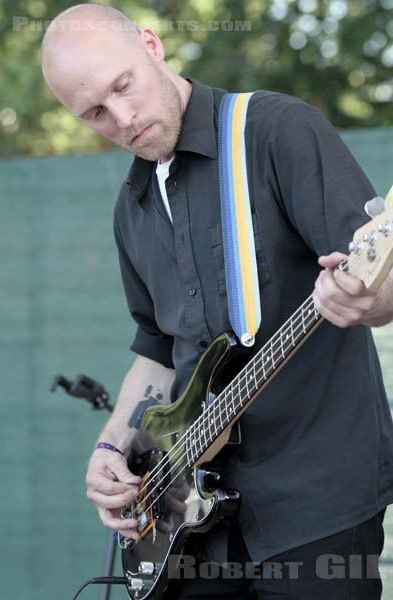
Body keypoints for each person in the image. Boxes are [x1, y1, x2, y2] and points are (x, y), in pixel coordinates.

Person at [41, 4, 393, 598]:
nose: (123, 118)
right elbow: (156, 349)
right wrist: (111, 444)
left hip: (317, 500)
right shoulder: (133, 205)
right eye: (95, 113)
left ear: (151, 46)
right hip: (191, 520)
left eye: (123, 86)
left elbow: (379, 281)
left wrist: (369, 297)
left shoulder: (277, 129)